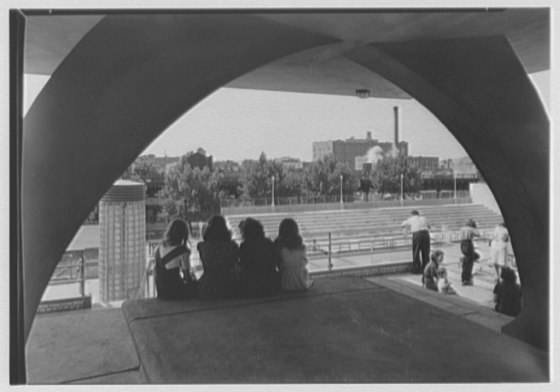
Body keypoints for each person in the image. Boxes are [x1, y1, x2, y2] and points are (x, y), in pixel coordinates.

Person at [196, 215, 239, 299]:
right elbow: (235, 267)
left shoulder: (202, 246)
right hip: (229, 287)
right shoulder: (233, 246)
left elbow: (204, 266)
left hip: (207, 287)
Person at [237, 218, 281, 297]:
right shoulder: (269, 243)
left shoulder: (245, 246)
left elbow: (243, 265)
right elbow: (276, 261)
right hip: (270, 285)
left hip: (250, 286)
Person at [154, 219, 196, 300]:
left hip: (162, 292)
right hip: (175, 291)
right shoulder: (183, 251)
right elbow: (187, 277)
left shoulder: (159, 247)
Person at [274, 218, 313, 291]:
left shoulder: (279, 245)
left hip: (285, 279)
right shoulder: (301, 246)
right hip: (301, 278)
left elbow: (277, 264)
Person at [401, 210, 431, 274]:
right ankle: (426, 269)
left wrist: (405, 230)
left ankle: (417, 269)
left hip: (417, 234)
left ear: (412, 214)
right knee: (426, 252)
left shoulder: (411, 219)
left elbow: (403, 224)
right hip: (425, 234)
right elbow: (429, 226)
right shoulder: (424, 218)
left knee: (416, 252)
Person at [459, 219, 480, 286]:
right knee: (469, 264)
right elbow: (478, 234)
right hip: (468, 244)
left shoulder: (462, 228)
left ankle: (463, 278)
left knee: (466, 262)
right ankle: (467, 279)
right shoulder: (471, 229)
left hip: (462, 244)